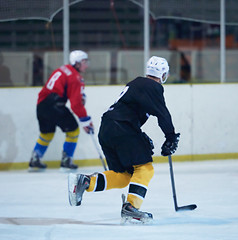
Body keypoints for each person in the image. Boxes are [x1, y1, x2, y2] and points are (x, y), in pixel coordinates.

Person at [68, 56, 180, 223]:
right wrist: (170, 136)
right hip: (123, 128)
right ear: (162, 74)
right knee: (145, 169)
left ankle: (85, 182)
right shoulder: (153, 86)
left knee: (124, 175)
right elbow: (162, 113)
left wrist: (138, 135)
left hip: (107, 129)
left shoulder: (136, 83)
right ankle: (130, 208)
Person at [29, 50, 94, 172]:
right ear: (77, 63)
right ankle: (66, 161)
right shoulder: (75, 77)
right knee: (73, 130)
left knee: (46, 133)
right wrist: (85, 121)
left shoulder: (63, 69)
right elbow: (76, 105)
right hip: (55, 106)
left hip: (41, 105)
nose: (87, 65)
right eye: (84, 62)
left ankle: (35, 159)